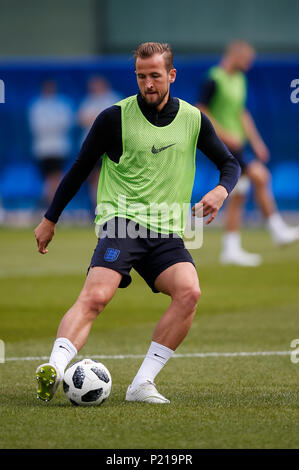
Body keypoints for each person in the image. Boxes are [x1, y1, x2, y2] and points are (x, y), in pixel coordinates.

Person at [34, 42, 240, 404]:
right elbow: (80, 169)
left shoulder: (193, 118)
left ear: (171, 75)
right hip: (122, 222)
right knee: (97, 296)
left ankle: (141, 384)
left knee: (189, 293)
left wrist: (222, 190)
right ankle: (53, 368)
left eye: (155, 76)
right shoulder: (113, 118)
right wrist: (50, 219)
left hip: (165, 230)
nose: (148, 84)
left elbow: (230, 163)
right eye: (142, 76)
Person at [197, 40, 299, 267]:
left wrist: (257, 141)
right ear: (235, 55)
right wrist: (222, 134)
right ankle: (277, 229)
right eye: (247, 59)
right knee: (261, 176)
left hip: (238, 145)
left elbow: (241, 113)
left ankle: (231, 249)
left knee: (238, 194)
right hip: (222, 145)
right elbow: (200, 110)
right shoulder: (214, 78)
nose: (249, 64)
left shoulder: (240, 79)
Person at [77, 76, 122, 209]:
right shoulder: (88, 101)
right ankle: (97, 207)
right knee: (94, 178)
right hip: (92, 147)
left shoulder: (114, 98)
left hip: (111, 147)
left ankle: (112, 207)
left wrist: (96, 119)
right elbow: (81, 119)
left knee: (111, 178)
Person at [28, 79, 74, 207]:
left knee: (55, 177)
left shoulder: (62, 103)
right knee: (49, 179)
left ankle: (51, 205)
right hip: (42, 149)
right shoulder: (37, 105)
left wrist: (51, 126)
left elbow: (66, 123)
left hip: (58, 148)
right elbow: (37, 126)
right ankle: (50, 204)